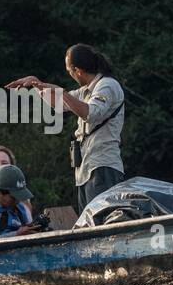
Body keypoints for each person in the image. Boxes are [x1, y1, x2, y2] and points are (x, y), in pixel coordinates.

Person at [8, 44, 125, 213]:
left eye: (69, 71)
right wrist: (37, 84)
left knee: (103, 221)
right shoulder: (87, 90)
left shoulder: (107, 85)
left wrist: (61, 92)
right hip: (86, 169)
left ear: (77, 70)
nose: (70, 75)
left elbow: (90, 113)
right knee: (90, 224)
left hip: (102, 166)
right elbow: (58, 104)